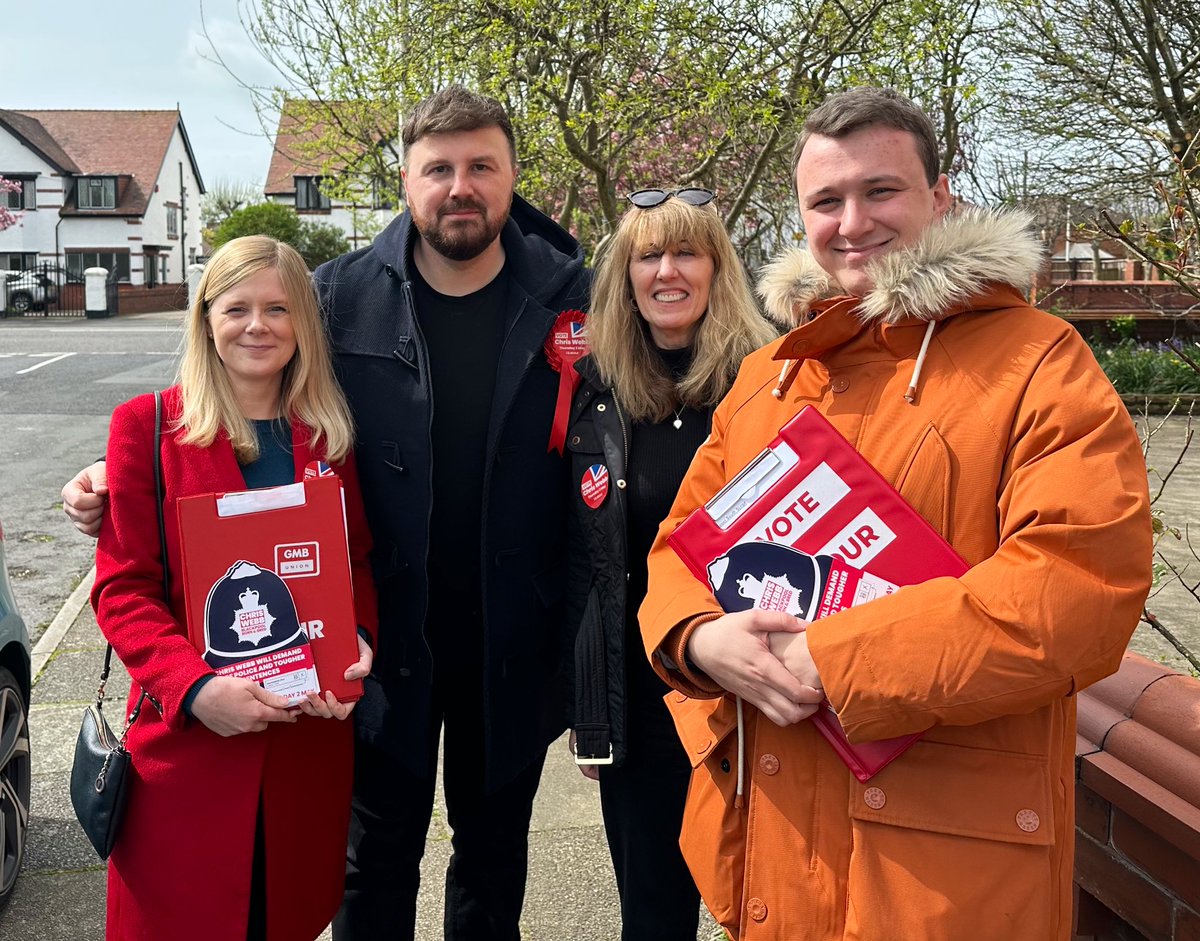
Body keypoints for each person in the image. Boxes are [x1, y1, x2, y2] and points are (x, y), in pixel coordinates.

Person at [64, 85, 590, 941]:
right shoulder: (338, 295)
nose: (461, 186)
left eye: (481, 166)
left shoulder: (575, 297)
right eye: (439, 169)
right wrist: (112, 476)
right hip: (382, 652)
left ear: (512, 176)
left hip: (510, 642)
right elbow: (238, 378)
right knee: (374, 863)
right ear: (406, 182)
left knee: (495, 857)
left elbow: (641, 411)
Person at [638, 87, 1153, 941]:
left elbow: (1077, 590)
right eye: (826, 201)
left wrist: (828, 659)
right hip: (771, 846)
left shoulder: (1040, 361)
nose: (852, 222)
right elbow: (677, 549)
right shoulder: (771, 374)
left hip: (944, 879)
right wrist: (696, 637)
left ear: (940, 197)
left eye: (881, 192)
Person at [92, 235, 377, 941]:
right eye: (238, 307)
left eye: (279, 308)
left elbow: (358, 565)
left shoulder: (330, 436)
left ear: (303, 324)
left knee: (283, 921)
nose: (258, 325)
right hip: (189, 756)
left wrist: (358, 643)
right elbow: (123, 589)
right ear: (206, 319)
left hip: (303, 755)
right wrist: (192, 689)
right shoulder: (146, 426)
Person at [565, 188, 777, 940]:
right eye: (648, 255)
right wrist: (591, 710)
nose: (667, 271)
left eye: (686, 251)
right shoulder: (597, 394)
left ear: (718, 268)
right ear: (625, 274)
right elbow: (585, 569)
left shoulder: (770, 381)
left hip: (753, 700)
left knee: (768, 905)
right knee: (652, 916)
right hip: (643, 700)